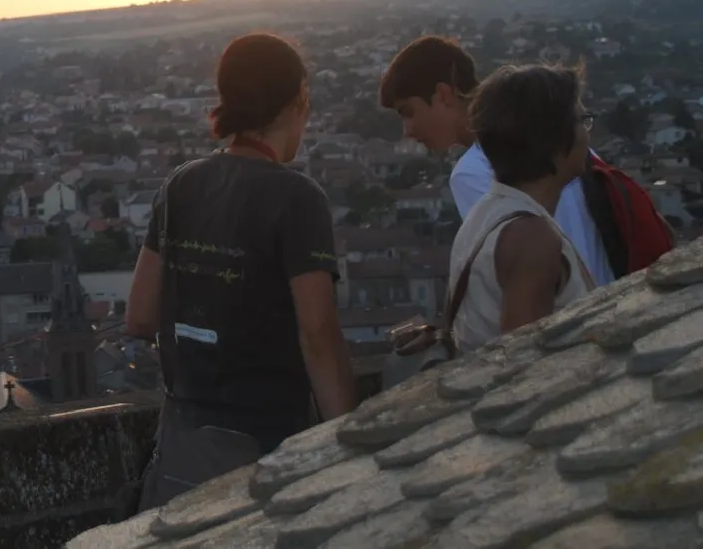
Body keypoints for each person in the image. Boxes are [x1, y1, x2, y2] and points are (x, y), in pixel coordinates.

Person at [126, 33, 356, 509]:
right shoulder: (298, 198)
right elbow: (317, 334)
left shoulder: (180, 185)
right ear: (298, 101)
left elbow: (141, 317)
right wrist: (349, 447)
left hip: (184, 450)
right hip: (269, 444)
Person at [379, 36, 614, 287]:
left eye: (408, 112)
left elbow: (519, 275)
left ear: (444, 94)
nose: (407, 130)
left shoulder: (472, 171)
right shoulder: (554, 133)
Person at [446, 64, 596, 354]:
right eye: (582, 120)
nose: (588, 134)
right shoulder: (531, 238)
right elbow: (523, 361)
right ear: (553, 136)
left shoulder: (488, 213)